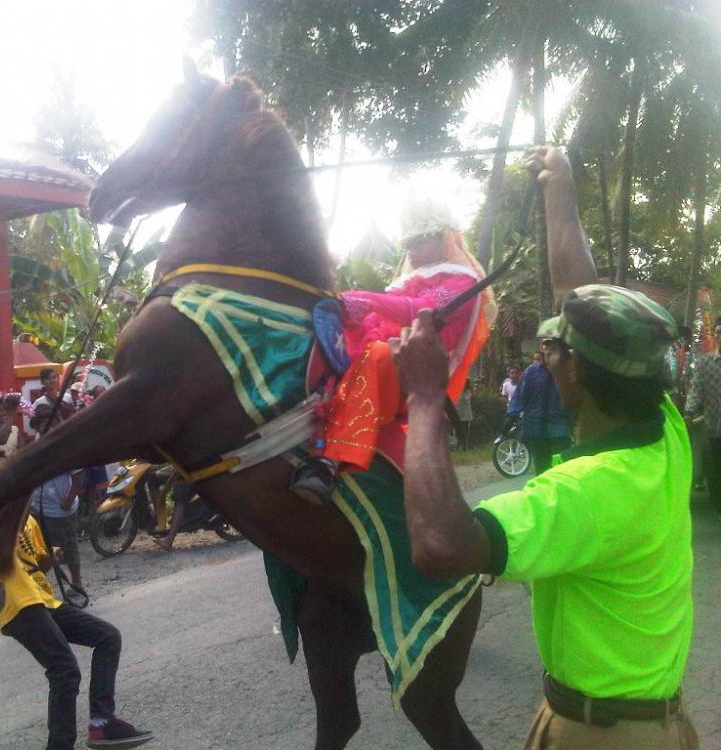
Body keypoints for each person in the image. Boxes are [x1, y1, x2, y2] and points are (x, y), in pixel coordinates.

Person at [392, 145, 698, 750]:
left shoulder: (585, 493)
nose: (544, 354)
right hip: (647, 721)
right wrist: (560, 185)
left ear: (576, 371)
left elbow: (442, 545)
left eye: (553, 348)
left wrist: (425, 399)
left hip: (600, 736)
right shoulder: (665, 430)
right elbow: (580, 293)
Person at [291, 197, 496, 504]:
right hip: (389, 353)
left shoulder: (462, 281)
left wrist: (366, 300)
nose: (410, 250)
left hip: (417, 369)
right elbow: (383, 315)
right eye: (407, 243)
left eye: (418, 241)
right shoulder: (409, 279)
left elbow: (421, 310)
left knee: (379, 355)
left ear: (442, 238)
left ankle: (328, 460)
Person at [0, 448, 153, 750]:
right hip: (17, 603)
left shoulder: (28, 520)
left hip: (43, 600)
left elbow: (37, 562)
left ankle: (102, 723)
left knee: (107, 637)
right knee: (64, 670)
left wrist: (49, 557)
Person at [29, 403, 85, 589]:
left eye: (54, 423)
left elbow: (78, 476)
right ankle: (40, 587)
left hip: (62, 508)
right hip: (39, 507)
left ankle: (76, 582)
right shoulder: (35, 447)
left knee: (69, 547)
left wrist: (68, 499)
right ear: (37, 426)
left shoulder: (66, 447)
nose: (51, 428)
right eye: (45, 424)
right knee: (39, 549)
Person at [509, 349, 573, 475]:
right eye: (544, 353)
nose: (546, 357)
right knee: (541, 469)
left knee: (561, 470)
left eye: (550, 352)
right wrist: (511, 415)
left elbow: (573, 396)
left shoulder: (566, 370)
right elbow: (520, 395)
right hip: (536, 428)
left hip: (559, 429)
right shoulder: (531, 372)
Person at [685, 320, 721, 513]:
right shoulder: (704, 364)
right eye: (718, 332)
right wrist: (689, 411)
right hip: (714, 426)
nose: (720, 336)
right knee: (714, 469)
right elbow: (696, 390)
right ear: (714, 336)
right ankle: (718, 506)